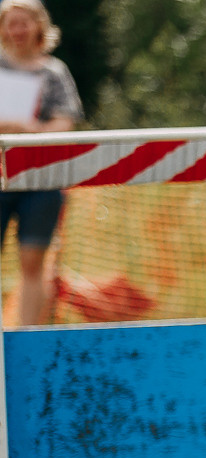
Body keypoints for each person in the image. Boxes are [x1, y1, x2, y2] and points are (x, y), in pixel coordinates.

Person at [0, 0, 81, 325]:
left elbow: (66, 122)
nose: (17, 30)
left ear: (38, 26)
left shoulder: (55, 71)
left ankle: (27, 339)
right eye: (10, 23)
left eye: (23, 23)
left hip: (41, 182)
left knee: (34, 264)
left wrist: (27, 128)